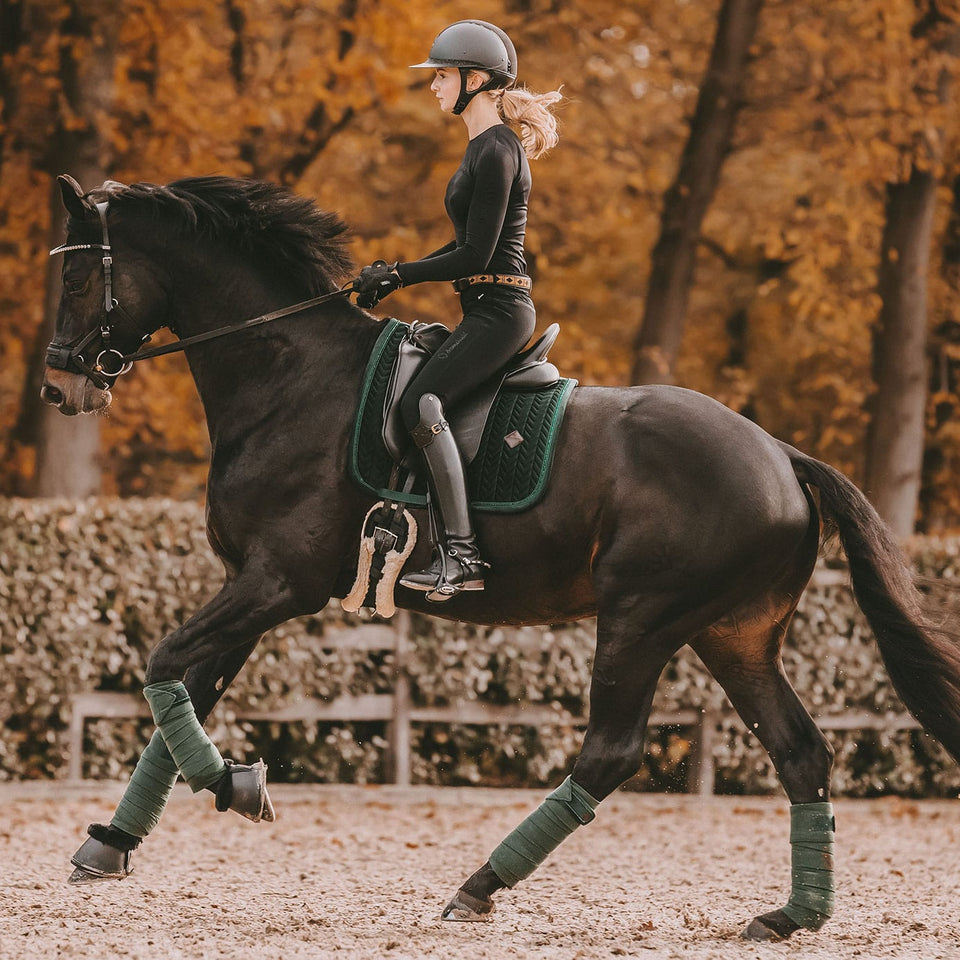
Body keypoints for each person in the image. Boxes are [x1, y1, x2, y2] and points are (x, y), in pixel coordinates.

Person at [354, 19, 562, 598]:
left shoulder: (497, 151)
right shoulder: (480, 149)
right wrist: (393, 273)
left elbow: (476, 253)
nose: (434, 86)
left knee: (424, 404)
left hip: (500, 310)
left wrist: (401, 274)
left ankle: (463, 555)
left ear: (475, 81)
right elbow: (463, 245)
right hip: (484, 305)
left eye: (441, 76)